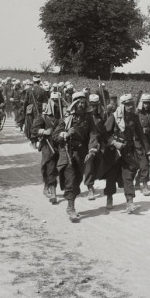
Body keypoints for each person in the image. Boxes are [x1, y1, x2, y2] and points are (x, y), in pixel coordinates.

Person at [102, 93, 150, 213]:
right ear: (123, 105)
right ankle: (109, 197)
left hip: (128, 151)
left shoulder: (134, 118)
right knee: (111, 177)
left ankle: (130, 202)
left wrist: (148, 151)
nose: (130, 106)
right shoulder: (114, 117)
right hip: (113, 152)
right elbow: (104, 134)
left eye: (132, 104)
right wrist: (113, 143)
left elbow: (141, 136)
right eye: (128, 104)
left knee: (128, 175)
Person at [53, 91, 99, 222]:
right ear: (74, 104)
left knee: (78, 179)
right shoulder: (66, 118)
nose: (81, 105)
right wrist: (65, 134)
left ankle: (70, 203)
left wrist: (92, 149)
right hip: (67, 152)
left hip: (81, 153)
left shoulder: (88, 118)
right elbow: (55, 135)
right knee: (71, 180)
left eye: (83, 103)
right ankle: (71, 207)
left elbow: (93, 134)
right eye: (78, 103)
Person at [31, 91, 63, 204]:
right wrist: (44, 131)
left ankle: (48, 185)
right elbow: (34, 130)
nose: (56, 104)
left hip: (60, 144)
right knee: (50, 167)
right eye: (54, 101)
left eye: (58, 101)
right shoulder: (43, 116)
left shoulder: (63, 115)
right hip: (48, 145)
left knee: (61, 168)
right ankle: (53, 192)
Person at [83, 94, 110, 201]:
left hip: (99, 143)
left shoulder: (102, 115)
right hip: (87, 143)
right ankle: (90, 187)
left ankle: (92, 180)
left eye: (95, 105)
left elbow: (104, 131)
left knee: (98, 163)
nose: (93, 108)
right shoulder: (85, 115)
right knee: (89, 164)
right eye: (92, 105)